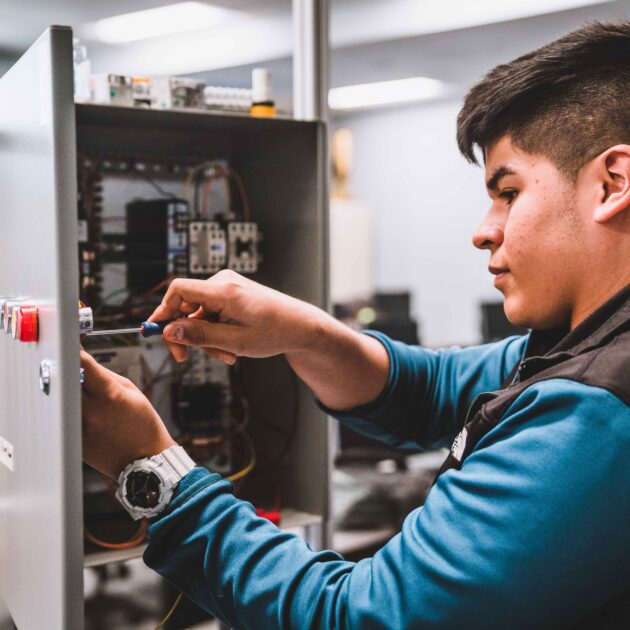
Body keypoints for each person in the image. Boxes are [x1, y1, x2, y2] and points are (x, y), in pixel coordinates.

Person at [80, 21, 630, 629]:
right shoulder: (585, 346)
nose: (483, 228)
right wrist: (305, 332)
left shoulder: (595, 412)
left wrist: (149, 467)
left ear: (612, 183)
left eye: (507, 192)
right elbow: (434, 390)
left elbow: (357, 618)